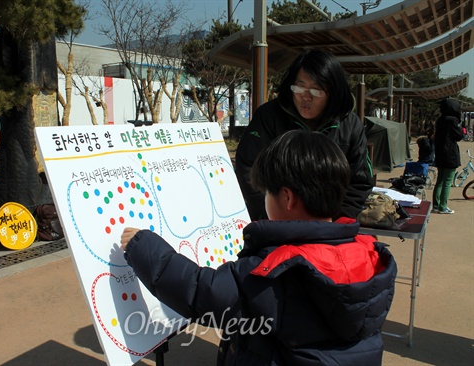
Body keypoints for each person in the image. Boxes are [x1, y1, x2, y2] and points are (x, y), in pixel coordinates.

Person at [121, 130, 397, 365]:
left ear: (287, 197)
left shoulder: (280, 270)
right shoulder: (367, 252)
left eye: (267, 192)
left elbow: (200, 291)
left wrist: (143, 247)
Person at [235, 48, 373, 221]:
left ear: (333, 93)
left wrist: (338, 222)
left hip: (328, 225)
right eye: (299, 88)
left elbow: (361, 181)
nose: (306, 97)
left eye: (316, 91)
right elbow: (248, 168)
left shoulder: (350, 125)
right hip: (276, 222)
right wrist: (272, 217)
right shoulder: (269, 116)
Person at [432, 99, 464, 214]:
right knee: (447, 181)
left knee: (440, 180)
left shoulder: (440, 120)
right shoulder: (453, 120)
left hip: (440, 153)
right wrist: (461, 128)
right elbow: (458, 136)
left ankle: (436, 205)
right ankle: (443, 206)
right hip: (450, 154)